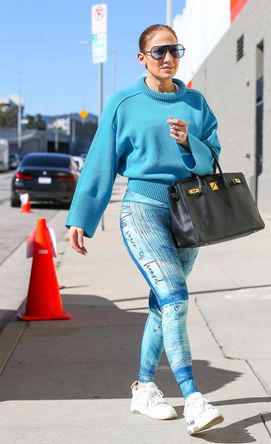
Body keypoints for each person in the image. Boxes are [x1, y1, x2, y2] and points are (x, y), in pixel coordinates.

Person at [65, 23, 224, 435]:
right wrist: (81, 217)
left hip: (189, 213)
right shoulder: (124, 103)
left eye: (175, 50)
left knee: (163, 303)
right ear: (142, 58)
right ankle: (193, 397)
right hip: (143, 208)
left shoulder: (196, 102)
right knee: (175, 298)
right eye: (159, 51)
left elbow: (213, 159)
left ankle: (144, 388)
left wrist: (191, 143)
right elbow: (100, 160)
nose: (168, 57)